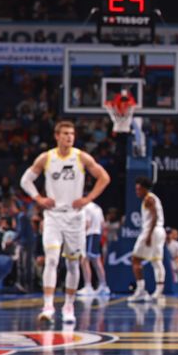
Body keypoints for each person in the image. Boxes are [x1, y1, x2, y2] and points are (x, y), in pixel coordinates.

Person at [20, 120, 111, 324]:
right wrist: (38, 198)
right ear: (57, 136)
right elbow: (25, 180)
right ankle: (48, 306)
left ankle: (69, 306)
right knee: (51, 259)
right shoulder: (46, 158)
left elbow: (104, 177)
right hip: (53, 215)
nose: (70, 137)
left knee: (72, 263)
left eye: (72, 133)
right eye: (65, 133)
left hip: (75, 217)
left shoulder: (81, 157)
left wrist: (87, 199)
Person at [128, 177, 167, 303]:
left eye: (139, 189)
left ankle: (143, 290)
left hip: (152, 231)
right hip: (156, 231)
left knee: (136, 259)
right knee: (152, 261)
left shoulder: (149, 199)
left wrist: (149, 235)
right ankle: (155, 291)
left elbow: (154, 216)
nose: (137, 192)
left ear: (145, 189)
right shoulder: (151, 198)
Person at [80, 200, 109, 295]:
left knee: (85, 260)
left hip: (90, 235)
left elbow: (87, 224)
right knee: (96, 261)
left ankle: (88, 286)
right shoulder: (97, 207)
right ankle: (103, 286)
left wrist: (78, 235)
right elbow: (103, 224)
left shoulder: (86, 207)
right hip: (97, 234)